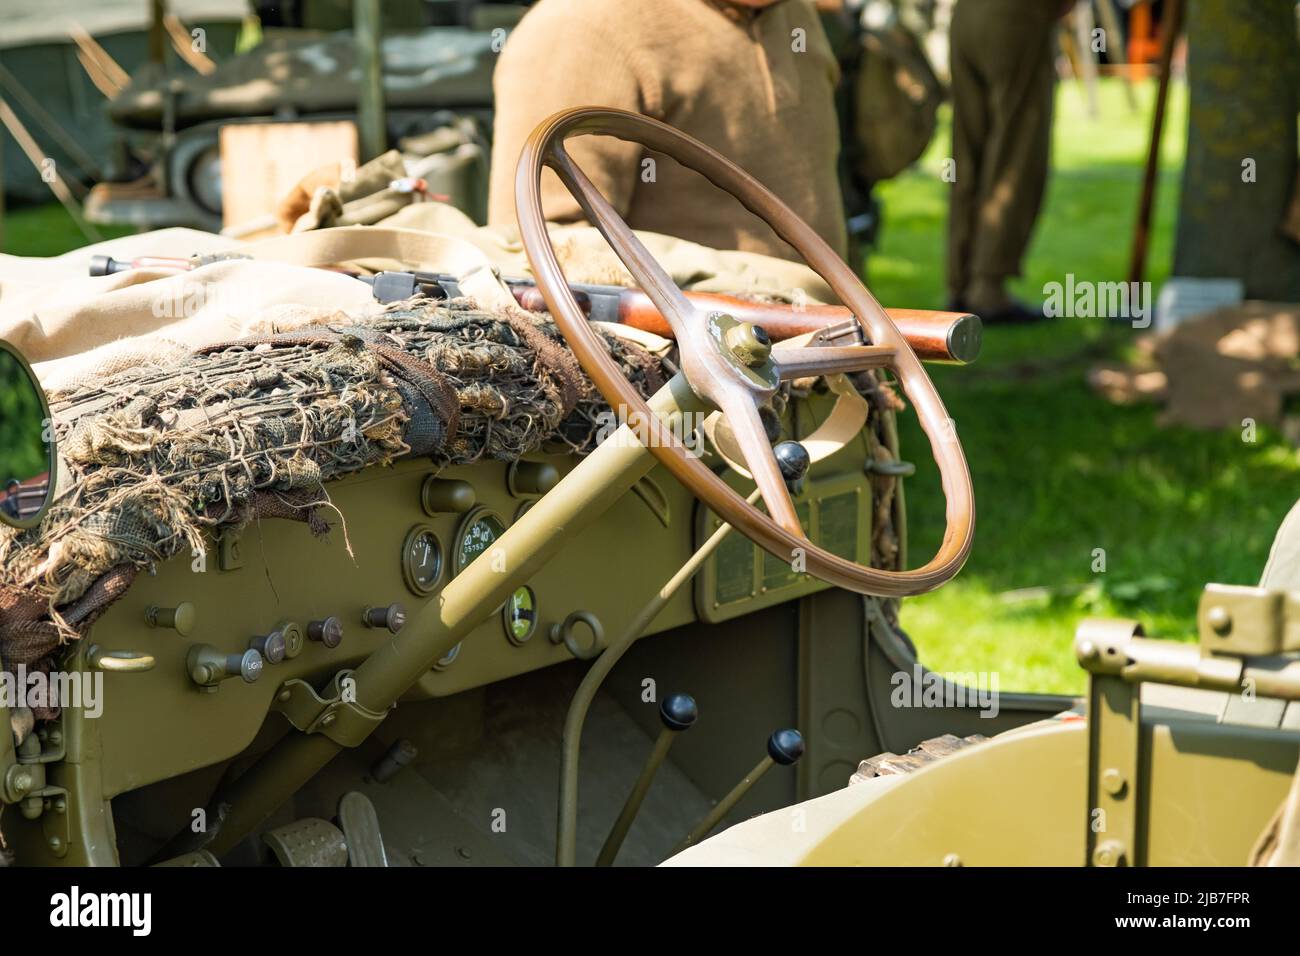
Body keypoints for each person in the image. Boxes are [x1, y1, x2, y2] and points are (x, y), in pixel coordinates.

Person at [487, 0, 848, 264]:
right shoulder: (578, 27)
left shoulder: (795, 14)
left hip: (834, 350)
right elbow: (544, 255)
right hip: (689, 362)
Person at [946, 0, 1070, 323]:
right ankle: (987, 287)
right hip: (1016, 15)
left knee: (967, 152)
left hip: (965, 15)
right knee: (1016, 152)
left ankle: (959, 281)